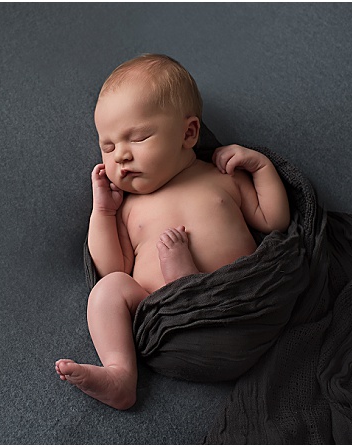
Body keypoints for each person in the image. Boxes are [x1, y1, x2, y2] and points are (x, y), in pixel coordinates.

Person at [55, 54, 290, 410]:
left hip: (232, 309)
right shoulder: (128, 207)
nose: (120, 156)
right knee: (107, 291)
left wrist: (260, 166)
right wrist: (102, 210)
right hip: (171, 328)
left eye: (138, 137)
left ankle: (191, 283)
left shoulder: (220, 176)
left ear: (189, 133)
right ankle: (120, 374)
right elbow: (111, 266)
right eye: (108, 146)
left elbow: (275, 221)